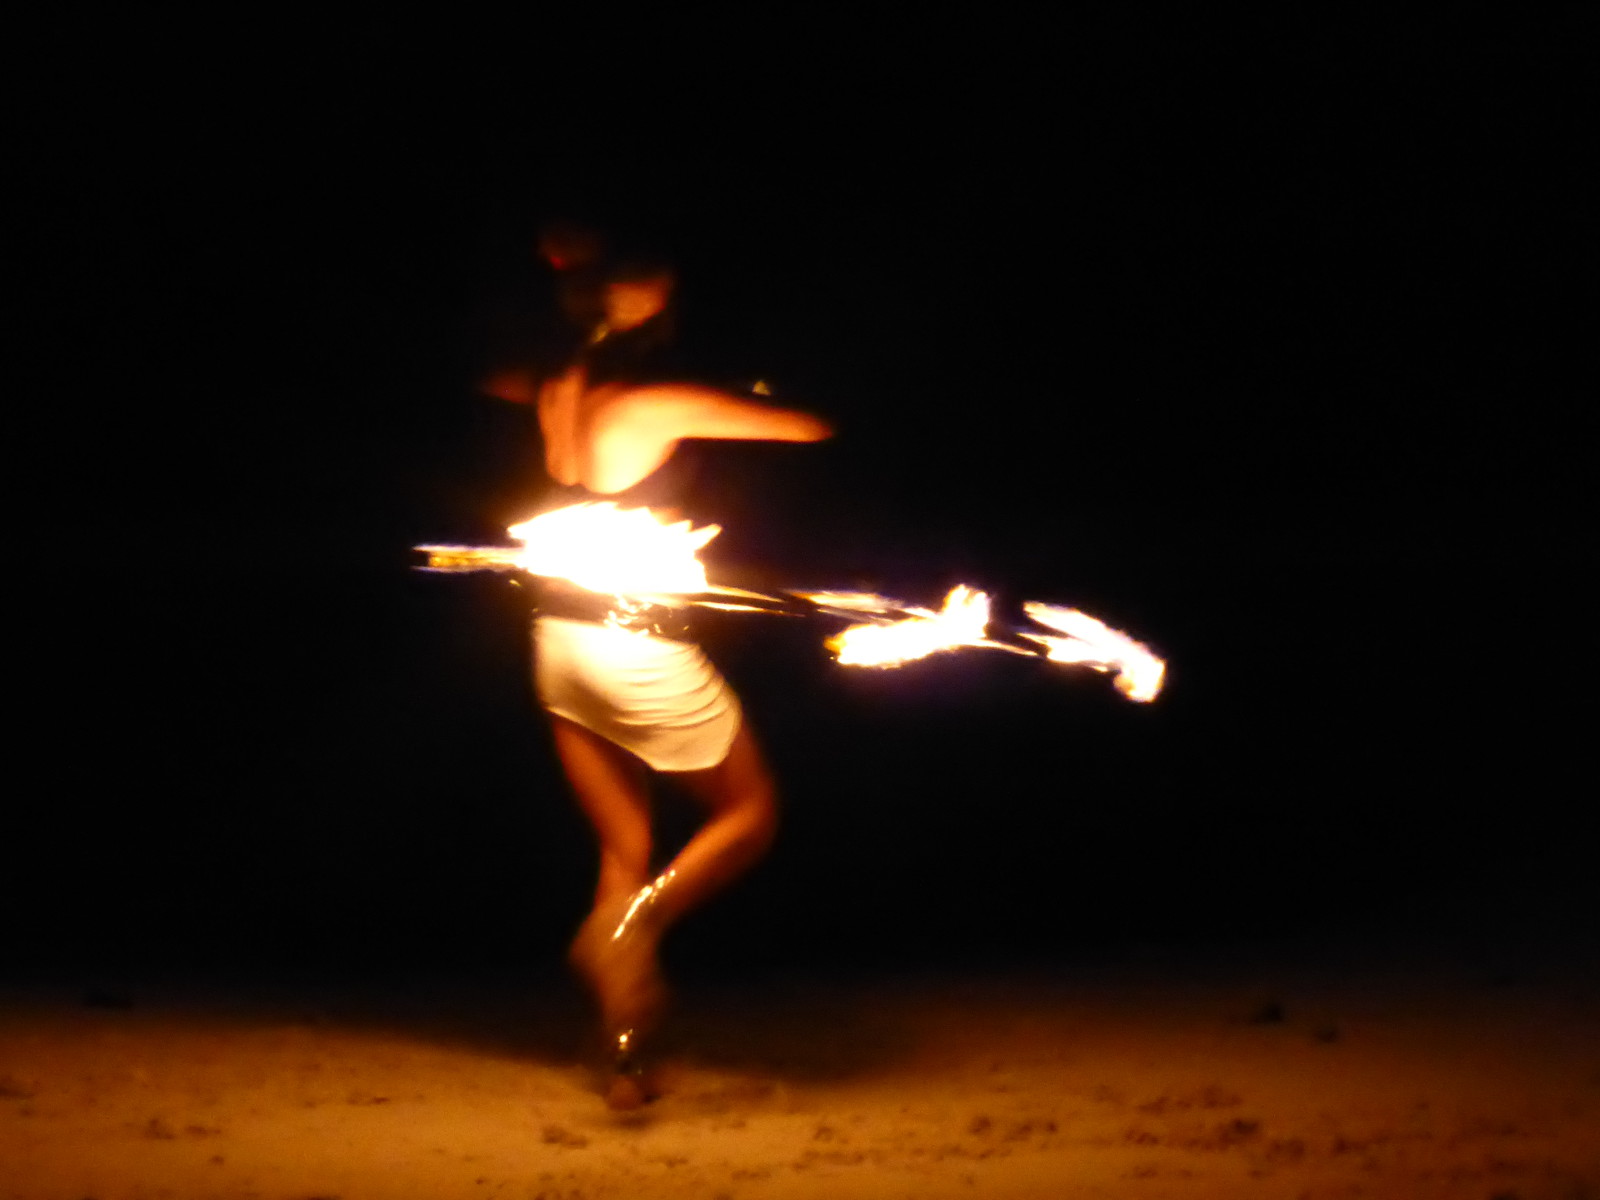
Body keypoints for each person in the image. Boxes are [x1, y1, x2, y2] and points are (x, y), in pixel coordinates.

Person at [521, 259, 831, 1109]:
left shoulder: (557, 386)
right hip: (636, 647)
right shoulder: (658, 402)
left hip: (558, 639)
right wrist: (755, 389)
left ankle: (626, 1057)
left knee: (624, 845)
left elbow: (503, 376)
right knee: (750, 814)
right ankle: (634, 928)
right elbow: (811, 428)